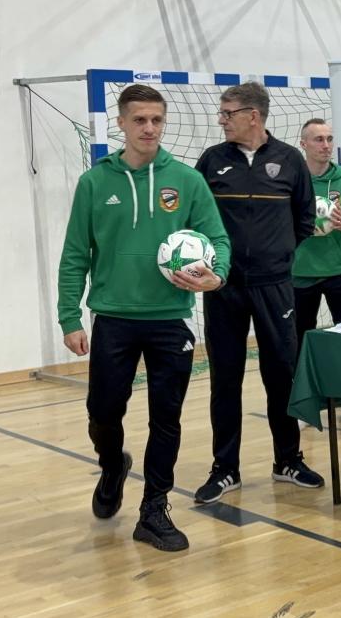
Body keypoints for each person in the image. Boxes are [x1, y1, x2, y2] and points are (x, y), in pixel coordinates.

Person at [57, 84, 230, 551]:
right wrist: (69, 316)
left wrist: (217, 276)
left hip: (170, 319)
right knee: (103, 412)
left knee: (166, 418)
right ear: (121, 123)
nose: (149, 128)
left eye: (156, 120)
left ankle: (154, 509)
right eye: (139, 120)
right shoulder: (95, 182)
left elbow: (218, 239)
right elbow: (75, 253)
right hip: (113, 317)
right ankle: (113, 464)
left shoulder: (186, 181)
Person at [194, 81, 324, 505]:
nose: (222, 120)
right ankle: (225, 468)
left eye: (228, 113)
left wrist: (277, 257)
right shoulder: (212, 160)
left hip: (275, 287)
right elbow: (196, 219)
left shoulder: (290, 160)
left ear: (253, 115)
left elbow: (304, 219)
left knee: (281, 375)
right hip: (223, 287)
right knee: (225, 378)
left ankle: (287, 460)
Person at [293, 118, 341, 430]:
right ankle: (304, 404)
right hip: (299, 273)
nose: (325, 145)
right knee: (299, 343)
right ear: (304, 144)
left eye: (329, 138)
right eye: (318, 139)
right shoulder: (292, 181)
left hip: (338, 271)